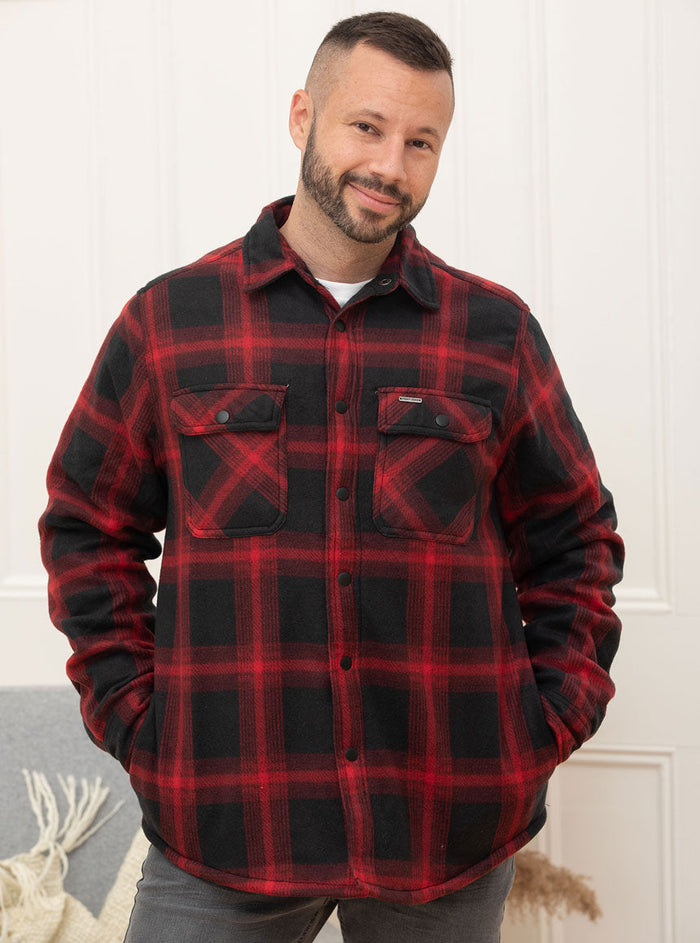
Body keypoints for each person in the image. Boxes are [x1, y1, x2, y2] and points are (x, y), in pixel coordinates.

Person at [38, 11, 624, 943]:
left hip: (444, 829)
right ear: (303, 116)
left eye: (421, 141)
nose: (390, 164)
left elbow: (577, 541)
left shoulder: (494, 334)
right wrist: (138, 718)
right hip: (225, 823)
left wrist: (541, 725)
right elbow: (86, 526)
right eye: (367, 126)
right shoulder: (170, 322)